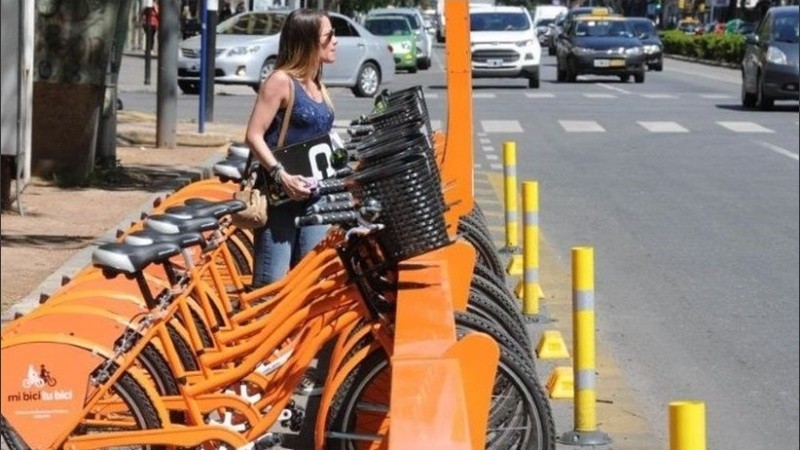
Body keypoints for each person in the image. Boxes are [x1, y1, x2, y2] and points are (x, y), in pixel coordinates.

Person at [244, 9, 337, 289]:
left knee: (310, 282)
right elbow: (253, 135)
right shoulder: (280, 81)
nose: (336, 41)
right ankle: (254, 334)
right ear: (308, 41)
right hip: (281, 200)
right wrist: (281, 175)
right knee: (270, 286)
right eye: (329, 35)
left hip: (317, 196)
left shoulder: (318, 83)